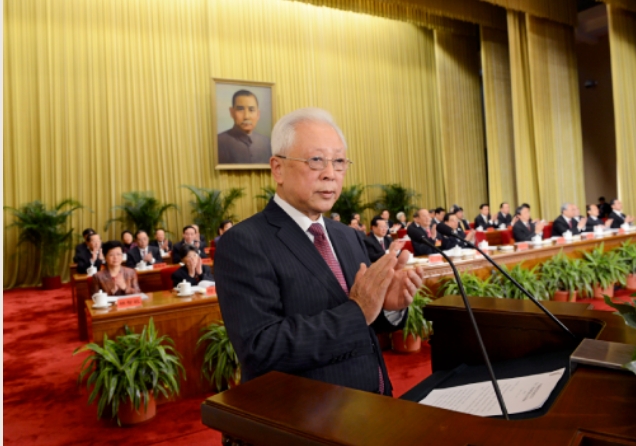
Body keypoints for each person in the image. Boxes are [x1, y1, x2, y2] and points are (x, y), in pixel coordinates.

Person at [215, 107, 425, 396]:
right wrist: (358, 310)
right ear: (277, 168)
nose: (330, 174)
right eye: (316, 160)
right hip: (309, 414)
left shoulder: (348, 236)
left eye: (338, 162)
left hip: (376, 404)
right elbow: (261, 349)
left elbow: (362, 325)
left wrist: (388, 306)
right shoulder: (244, 242)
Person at [217, 90, 271, 164]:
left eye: (251, 110)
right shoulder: (219, 142)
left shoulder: (266, 142)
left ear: (258, 114)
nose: (246, 116)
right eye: (240, 109)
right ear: (232, 112)